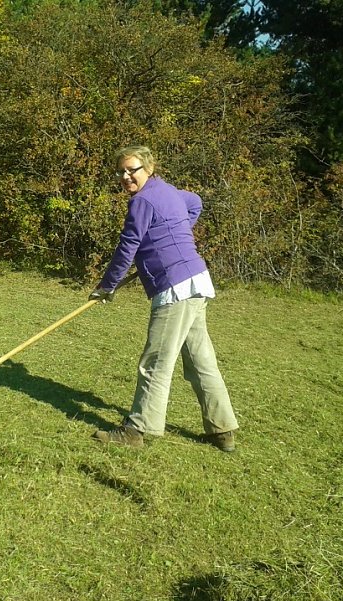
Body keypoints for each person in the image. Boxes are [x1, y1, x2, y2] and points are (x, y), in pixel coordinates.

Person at [89, 145, 239, 451]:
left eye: (132, 169)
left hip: (175, 287)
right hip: (196, 281)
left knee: (155, 361)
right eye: (121, 171)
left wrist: (107, 286)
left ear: (150, 168)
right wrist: (173, 231)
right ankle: (222, 431)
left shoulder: (141, 201)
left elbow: (127, 247)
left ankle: (137, 430)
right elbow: (194, 203)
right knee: (200, 361)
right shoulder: (168, 191)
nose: (126, 176)